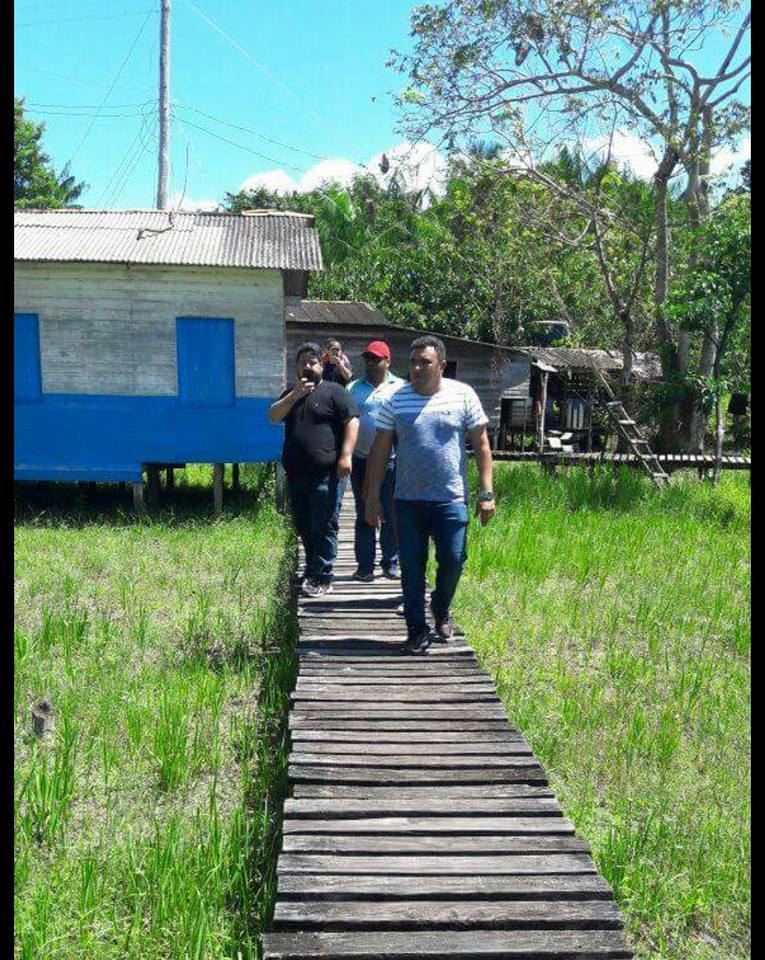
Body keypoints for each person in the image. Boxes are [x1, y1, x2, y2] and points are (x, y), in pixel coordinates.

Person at [364, 335, 495, 654]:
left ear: (442, 365)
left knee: (453, 560)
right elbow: (379, 452)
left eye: (425, 362)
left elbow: (481, 445)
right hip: (407, 501)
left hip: (450, 500)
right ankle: (416, 630)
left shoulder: (463, 395)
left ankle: (440, 605)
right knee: (411, 566)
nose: (418, 368)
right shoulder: (396, 399)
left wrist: (486, 492)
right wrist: (371, 497)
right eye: (413, 362)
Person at [269, 342, 359, 597]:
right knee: (304, 526)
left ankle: (323, 576)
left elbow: (352, 421)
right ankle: (311, 569)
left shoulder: (335, 392)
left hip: (327, 475)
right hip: (297, 476)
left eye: (312, 362)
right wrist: (295, 394)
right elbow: (273, 416)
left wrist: (346, 456)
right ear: (296, 367)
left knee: (325, 525)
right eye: (302, 363)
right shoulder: (291, 393)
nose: (307, 366)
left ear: (322, 364)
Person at [346, 341, 403, 582]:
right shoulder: (352, 388)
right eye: (367, 359)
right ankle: (365, 566)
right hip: (360, 460)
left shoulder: (400, 387)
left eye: (376, 359)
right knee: (364, 511)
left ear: (387, 362)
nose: (370, 363)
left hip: (390, 460)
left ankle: (390, 562)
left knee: (390, 512)